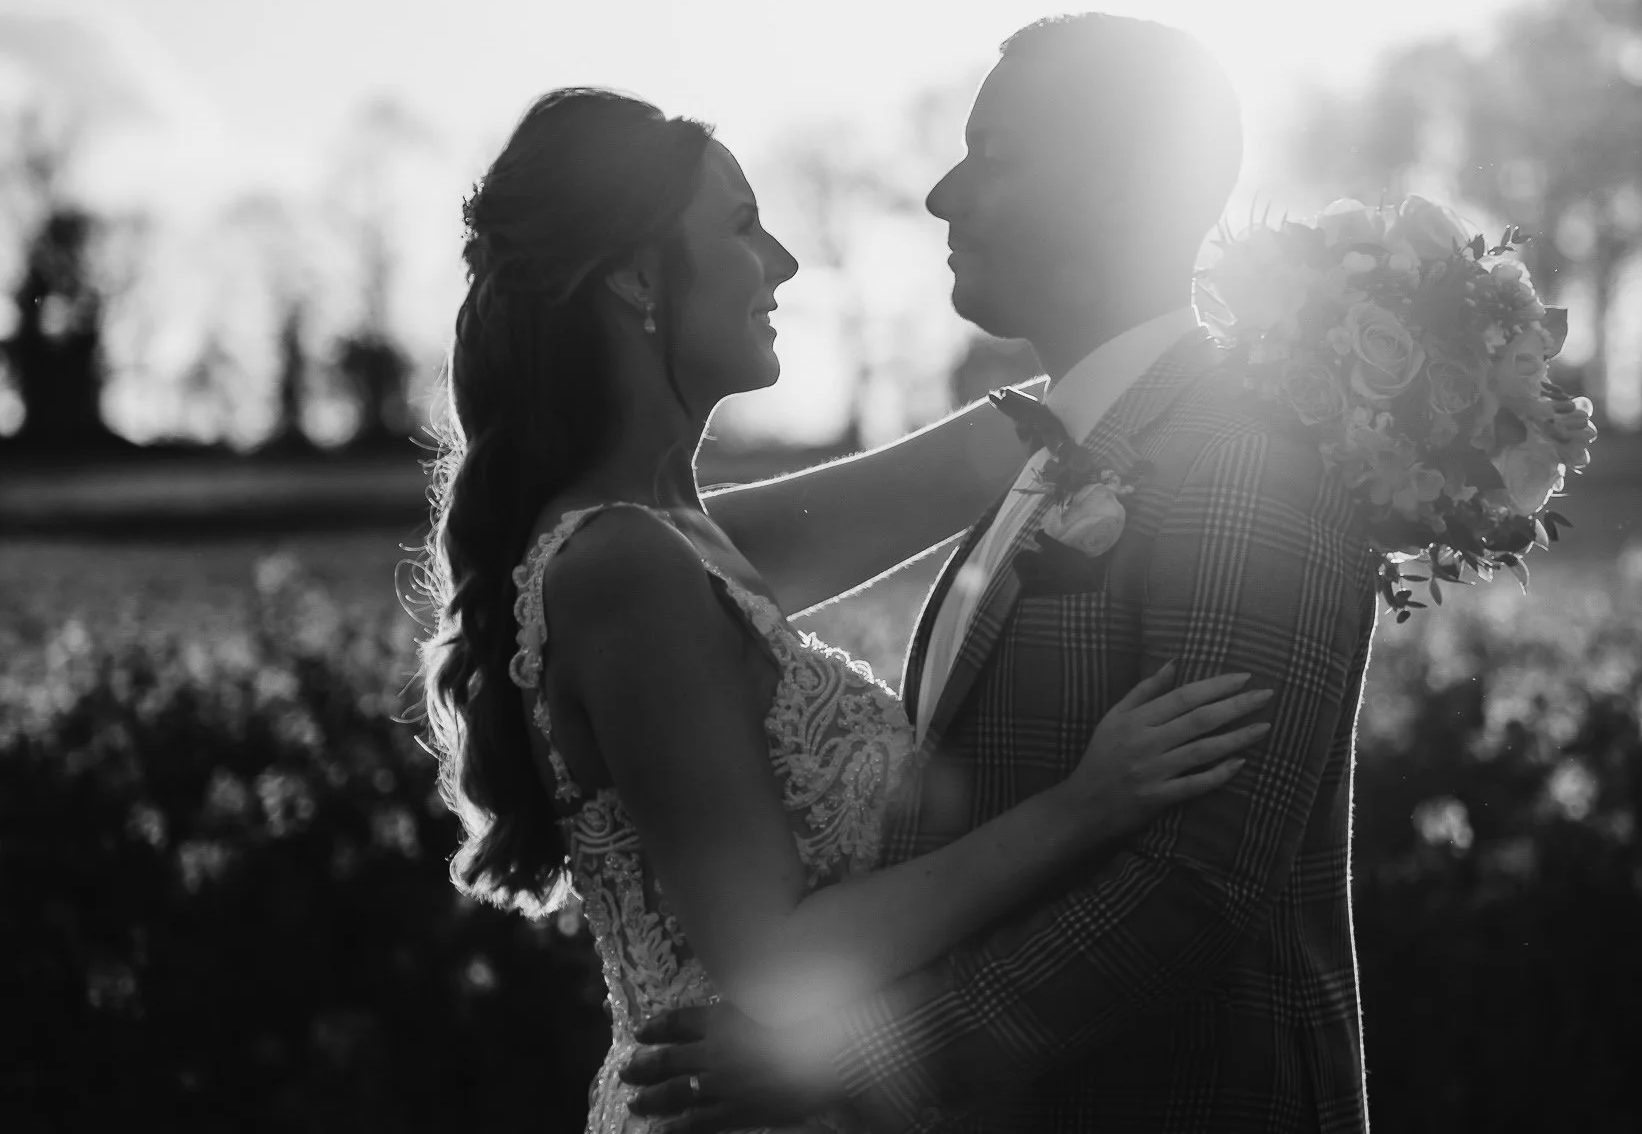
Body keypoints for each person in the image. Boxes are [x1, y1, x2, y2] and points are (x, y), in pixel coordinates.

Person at [417, 87, 1273, 1133]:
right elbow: (779, 965)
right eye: (740, 226)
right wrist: (1085, 804)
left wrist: (1316, 369)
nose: (780, 263)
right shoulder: (624, 568)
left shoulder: (685, 537)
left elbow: (997, 445)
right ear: (637, 273)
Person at [626, 16, 1380, 1131]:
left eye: (994, 153)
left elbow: (1195, 884)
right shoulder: (1050, 448)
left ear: (1124, 185)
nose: (941, 194)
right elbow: (656, 565)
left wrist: (854, 1053)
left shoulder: (1244, 456)